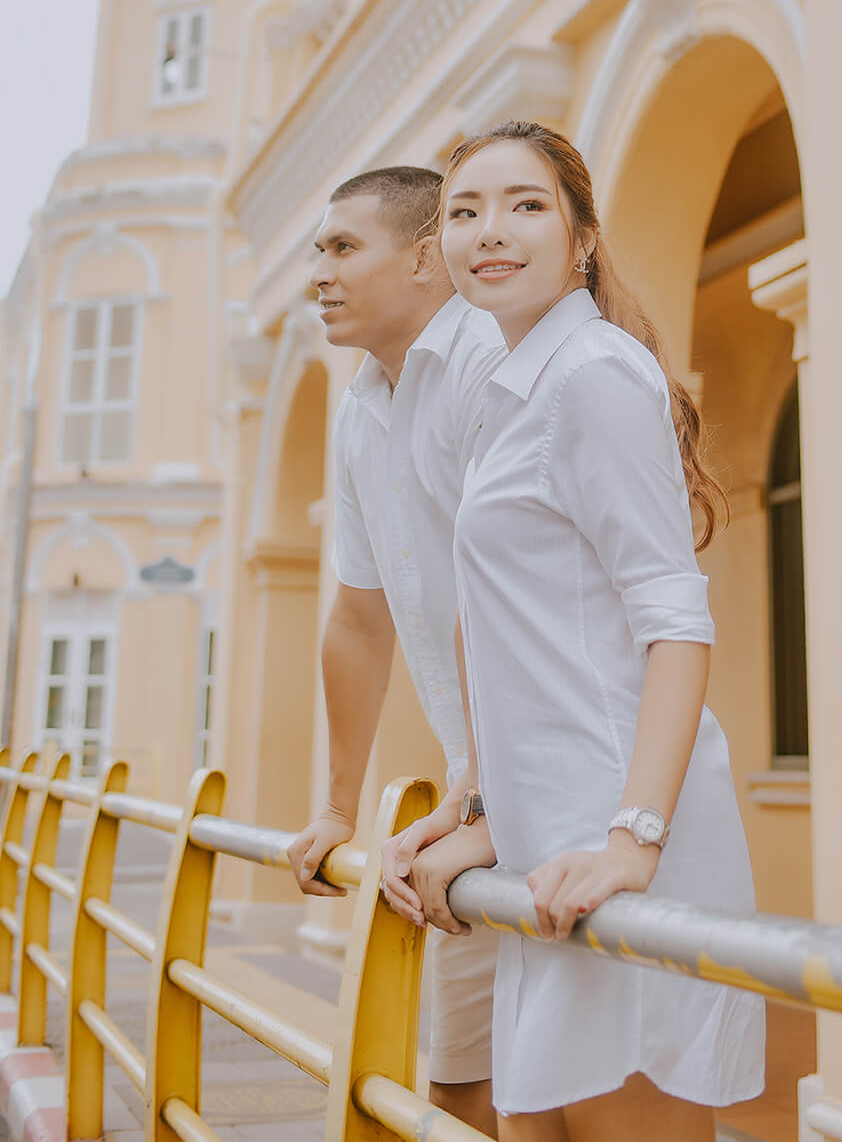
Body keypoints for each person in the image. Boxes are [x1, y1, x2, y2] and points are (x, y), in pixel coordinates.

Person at [378, 121, 765, 1142]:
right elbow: (531, 647)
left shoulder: (591, 372)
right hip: (548, 855)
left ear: (582, 236)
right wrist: (473, 806)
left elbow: (673, 617)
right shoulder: (512, 392)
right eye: (464, 211)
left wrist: (632, 841)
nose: (489, 230)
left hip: (608, 851)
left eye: (524, 204)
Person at [284, 165, 505, 1139]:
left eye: (340, 247)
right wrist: (334, 805)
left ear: (423, 256)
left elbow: (521, 605)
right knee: (463, 1092)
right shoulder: (362, 405)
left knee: (574, 1101)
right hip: (478, 805)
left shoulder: (492, 366)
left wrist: (490, 797)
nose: (317, 274)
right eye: (316, 252)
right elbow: (356, 619)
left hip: (570, 791)